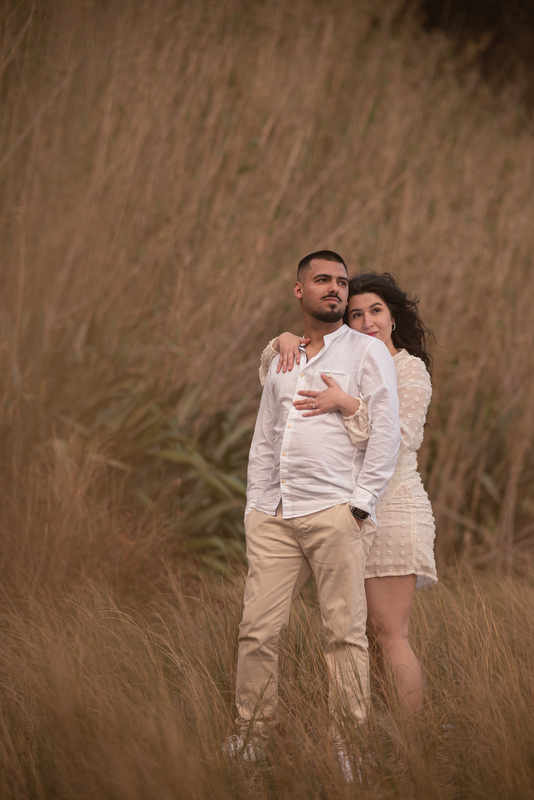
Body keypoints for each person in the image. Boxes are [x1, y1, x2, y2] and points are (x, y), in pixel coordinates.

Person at [224, 252, 400, 779]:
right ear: (299, 289)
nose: (335, 290)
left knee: (343, 634)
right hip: (275, 513)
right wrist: (256, 504)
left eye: (342, 283)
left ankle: (349, 745)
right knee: (257, 629)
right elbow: (266, 433)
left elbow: (386, 430)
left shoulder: (367, 351)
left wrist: (361, 504)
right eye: (323, 280)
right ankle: (251, 735)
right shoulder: (283, 354)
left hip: (334, 509)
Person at [260, 271, 437, 731]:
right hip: (350, 511)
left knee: (389, 632)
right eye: (356, 314)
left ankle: (414, 743)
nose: (367, 321)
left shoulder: (407, 369)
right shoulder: (349, 362)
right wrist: (286, 339)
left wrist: (346, 403)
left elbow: (399, 438)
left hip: (393, 506)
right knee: (362, 637)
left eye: (376, 310)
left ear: (393, 317)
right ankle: (382, 731)